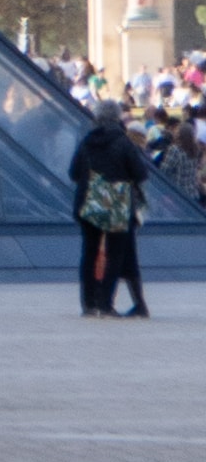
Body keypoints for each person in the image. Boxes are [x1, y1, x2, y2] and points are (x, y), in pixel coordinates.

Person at [75, 98, 152, 321]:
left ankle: (88, 304)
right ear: (117, 117)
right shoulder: (124, 142)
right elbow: (140, 173)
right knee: (115, 254)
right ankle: (106, 305)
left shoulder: (86, 142)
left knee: (88, 253)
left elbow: (73, 172)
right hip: (116, 203)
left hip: (88, 201)